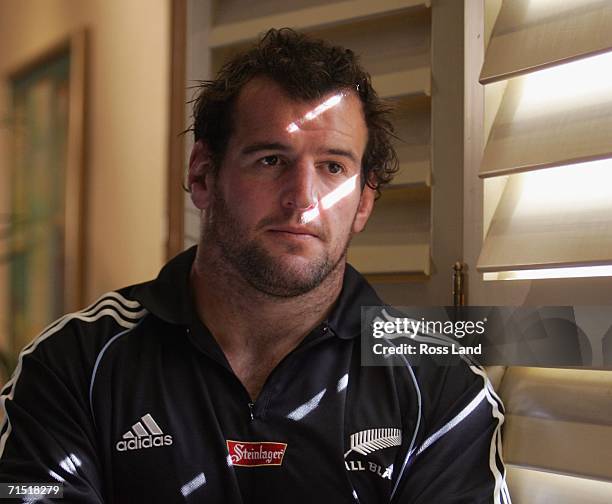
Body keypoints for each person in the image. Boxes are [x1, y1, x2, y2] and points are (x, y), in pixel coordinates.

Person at [0, 29, 510, 503]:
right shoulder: (72, 364)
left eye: (333, 167)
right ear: (203, 176)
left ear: (364, 202)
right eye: (271, 160)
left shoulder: (440, 383)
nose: (303, 200)